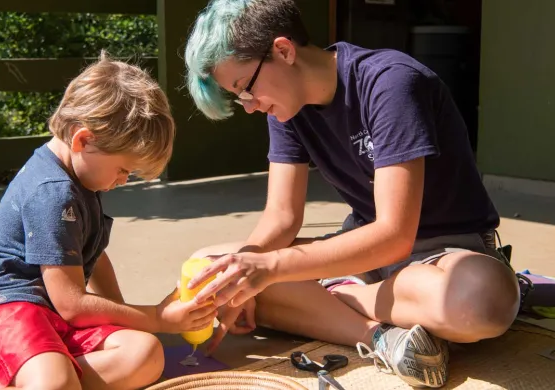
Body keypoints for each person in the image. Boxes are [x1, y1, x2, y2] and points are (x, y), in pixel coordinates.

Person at [182, 0, 521, 388]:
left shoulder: (389, 82)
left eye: (245, 88)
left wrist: (272, 273)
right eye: (240, 97)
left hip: (446, 253)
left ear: (283, 50)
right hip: (363, 254)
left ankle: (328, 302)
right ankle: (378, 335)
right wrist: (244, 270)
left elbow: (395, 235)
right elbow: (280, 217)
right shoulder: (285, 109)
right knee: (210, 266)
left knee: (483, 301)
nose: (250, 106)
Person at [0, 52, 217, 390]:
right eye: (123, 169)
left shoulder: (83, 173)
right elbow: (73, 305)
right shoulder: (53, 192)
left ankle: (34, 381)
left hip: (52, 316)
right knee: (58, 382)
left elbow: (92, 254)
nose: (123, 180)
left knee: (144, 353)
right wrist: (156, 318)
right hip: (5, 311)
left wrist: (124, 316)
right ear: (84, 140)